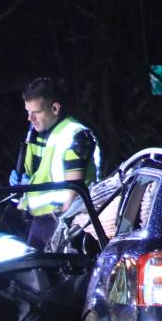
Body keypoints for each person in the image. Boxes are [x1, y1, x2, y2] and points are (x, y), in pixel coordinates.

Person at [10, 77, 100, 248]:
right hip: (39, 221)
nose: (30, 118)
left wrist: (63, 232)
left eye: (36, 112)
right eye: (28, 112)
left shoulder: (75, 135)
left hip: (65, 222)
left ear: (55, 108)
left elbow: (74, 190)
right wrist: (22, 183)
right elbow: (37, 174)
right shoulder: (37, 133)